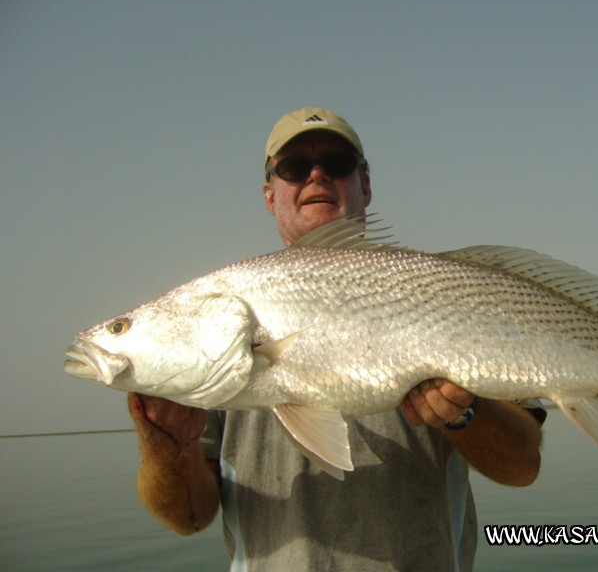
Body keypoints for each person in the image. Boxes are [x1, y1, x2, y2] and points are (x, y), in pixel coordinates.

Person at [128, 107, 546, 571]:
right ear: (270, 195)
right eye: (293, 167)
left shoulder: (443, 295)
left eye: (338, 162)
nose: (317, 175)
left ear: (365, 185)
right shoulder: (222, 321)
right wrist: (168, 449)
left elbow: (523, 467)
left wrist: (465, 414)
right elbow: (189, 518)